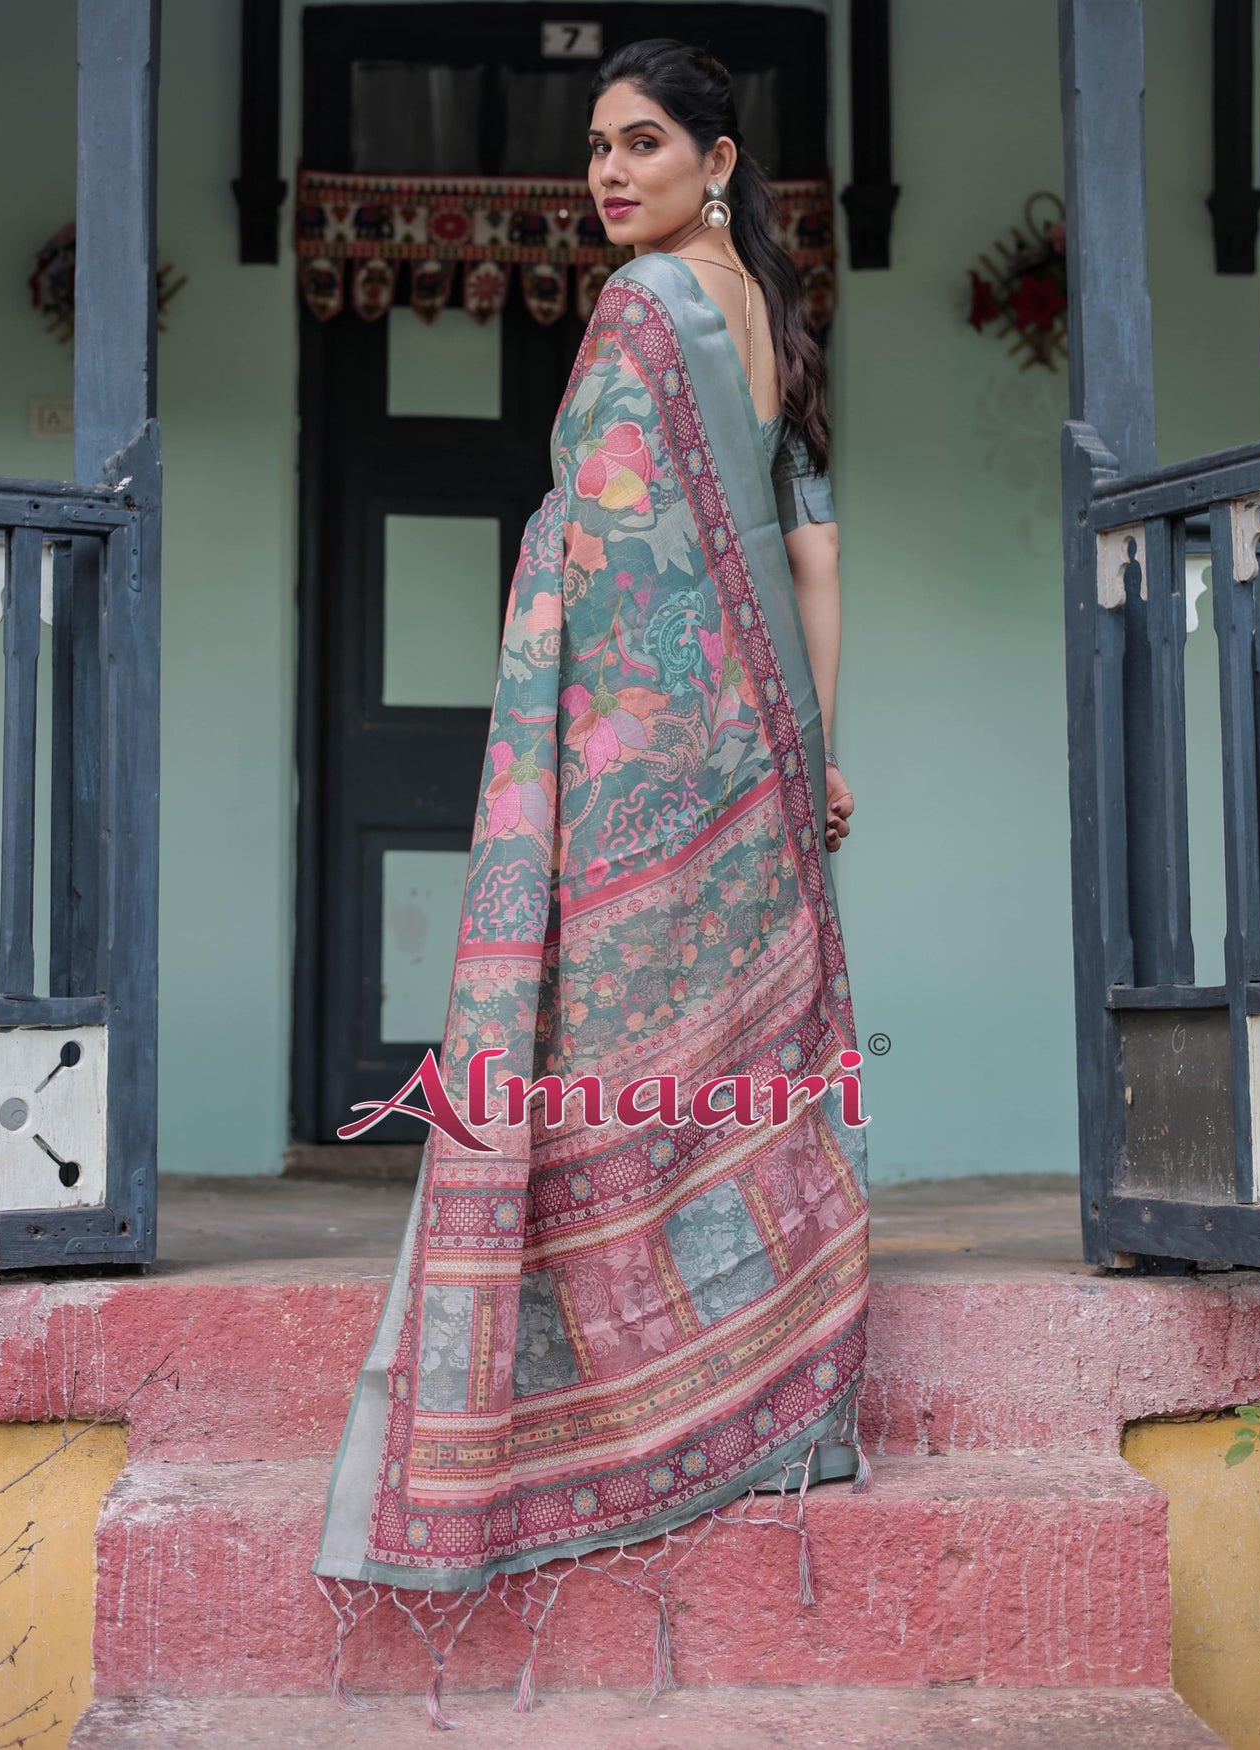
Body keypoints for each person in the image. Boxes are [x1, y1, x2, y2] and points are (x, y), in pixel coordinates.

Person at [313, 37, 870, 1717]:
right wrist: (814, 751)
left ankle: (637, 1396)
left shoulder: (642, 315)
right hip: (758, 755)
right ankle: (783, 1394)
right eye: (594, 152)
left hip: (644, 761)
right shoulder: (769, 316)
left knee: (621, 1065)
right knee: (738, 1074)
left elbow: (604, 539)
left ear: (715, 156)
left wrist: (563, 742)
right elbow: (812, 551)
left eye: (642, 144)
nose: (607, 174)